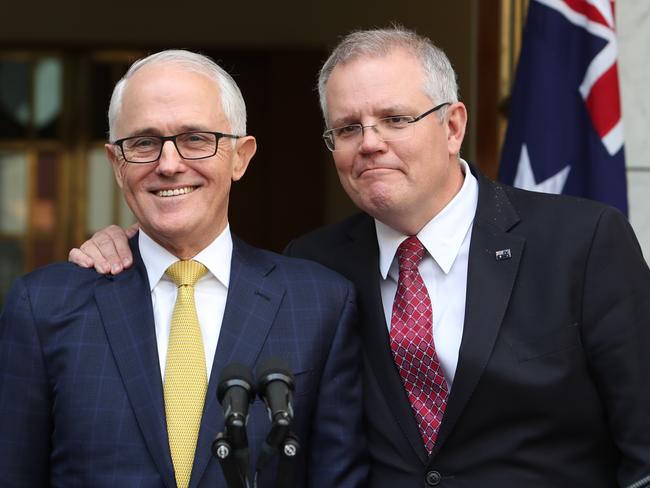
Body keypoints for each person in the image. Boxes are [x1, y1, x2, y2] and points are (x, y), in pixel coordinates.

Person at [68, 28, 650, 487]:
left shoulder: (584, 242)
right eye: (347, 128)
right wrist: (132, 244)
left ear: (452, 126)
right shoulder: (315, 268)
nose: (370, 142)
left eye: (395, 119)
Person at [0, 50, 368, 488]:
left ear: (240, 156)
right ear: (117, 165)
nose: (169, 164)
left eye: (195, 138)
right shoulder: (43, 306)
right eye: (143, 143)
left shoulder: (320, 303)